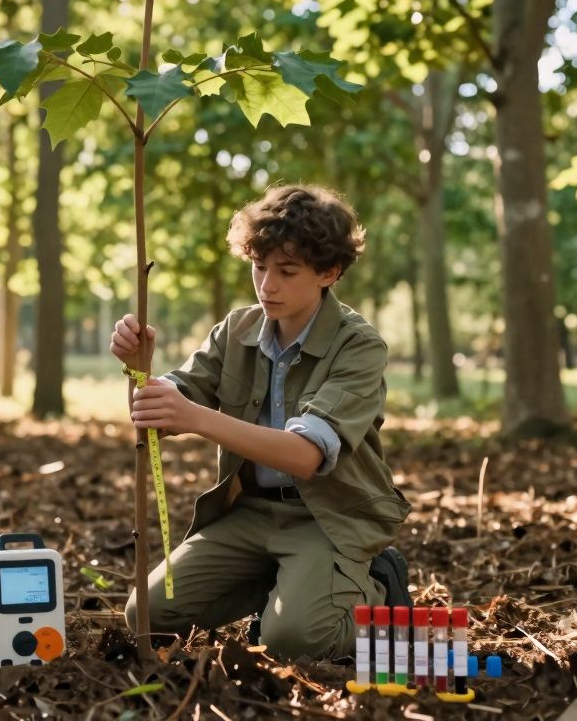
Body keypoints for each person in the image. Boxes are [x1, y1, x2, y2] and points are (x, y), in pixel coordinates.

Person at [111, 184, 411, 661]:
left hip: (326, 519)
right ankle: (289, 588)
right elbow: (155, 419)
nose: (267, 284)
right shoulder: (237, 329)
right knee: (146, 616)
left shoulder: (359, 346)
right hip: (249, 513)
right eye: (259, 267)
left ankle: (377, 591)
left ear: (329, 272)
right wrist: (138, 368)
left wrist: (196, 417)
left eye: (287, 271)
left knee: (291, 641)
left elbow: (306, 457)